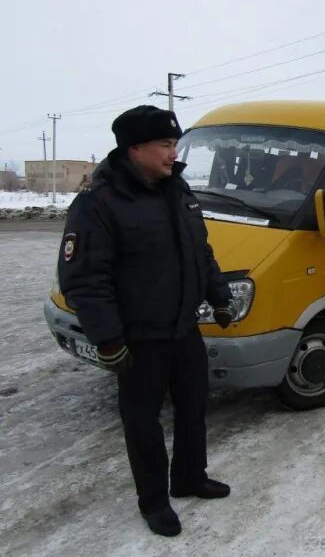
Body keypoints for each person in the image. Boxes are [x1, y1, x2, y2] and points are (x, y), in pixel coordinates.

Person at [58, 105, 234, 537]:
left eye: (175, 144)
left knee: (194, 408)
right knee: (143, 424)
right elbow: (83, 279)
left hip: (183, 329)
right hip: (138, 339)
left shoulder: (178, 190)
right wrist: (108, 339)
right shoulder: (99, 203)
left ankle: (190, 477)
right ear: (134, 148)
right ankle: (154, 500)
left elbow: (201, 251)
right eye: (165, 145)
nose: (174, 153)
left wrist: (219, 296)